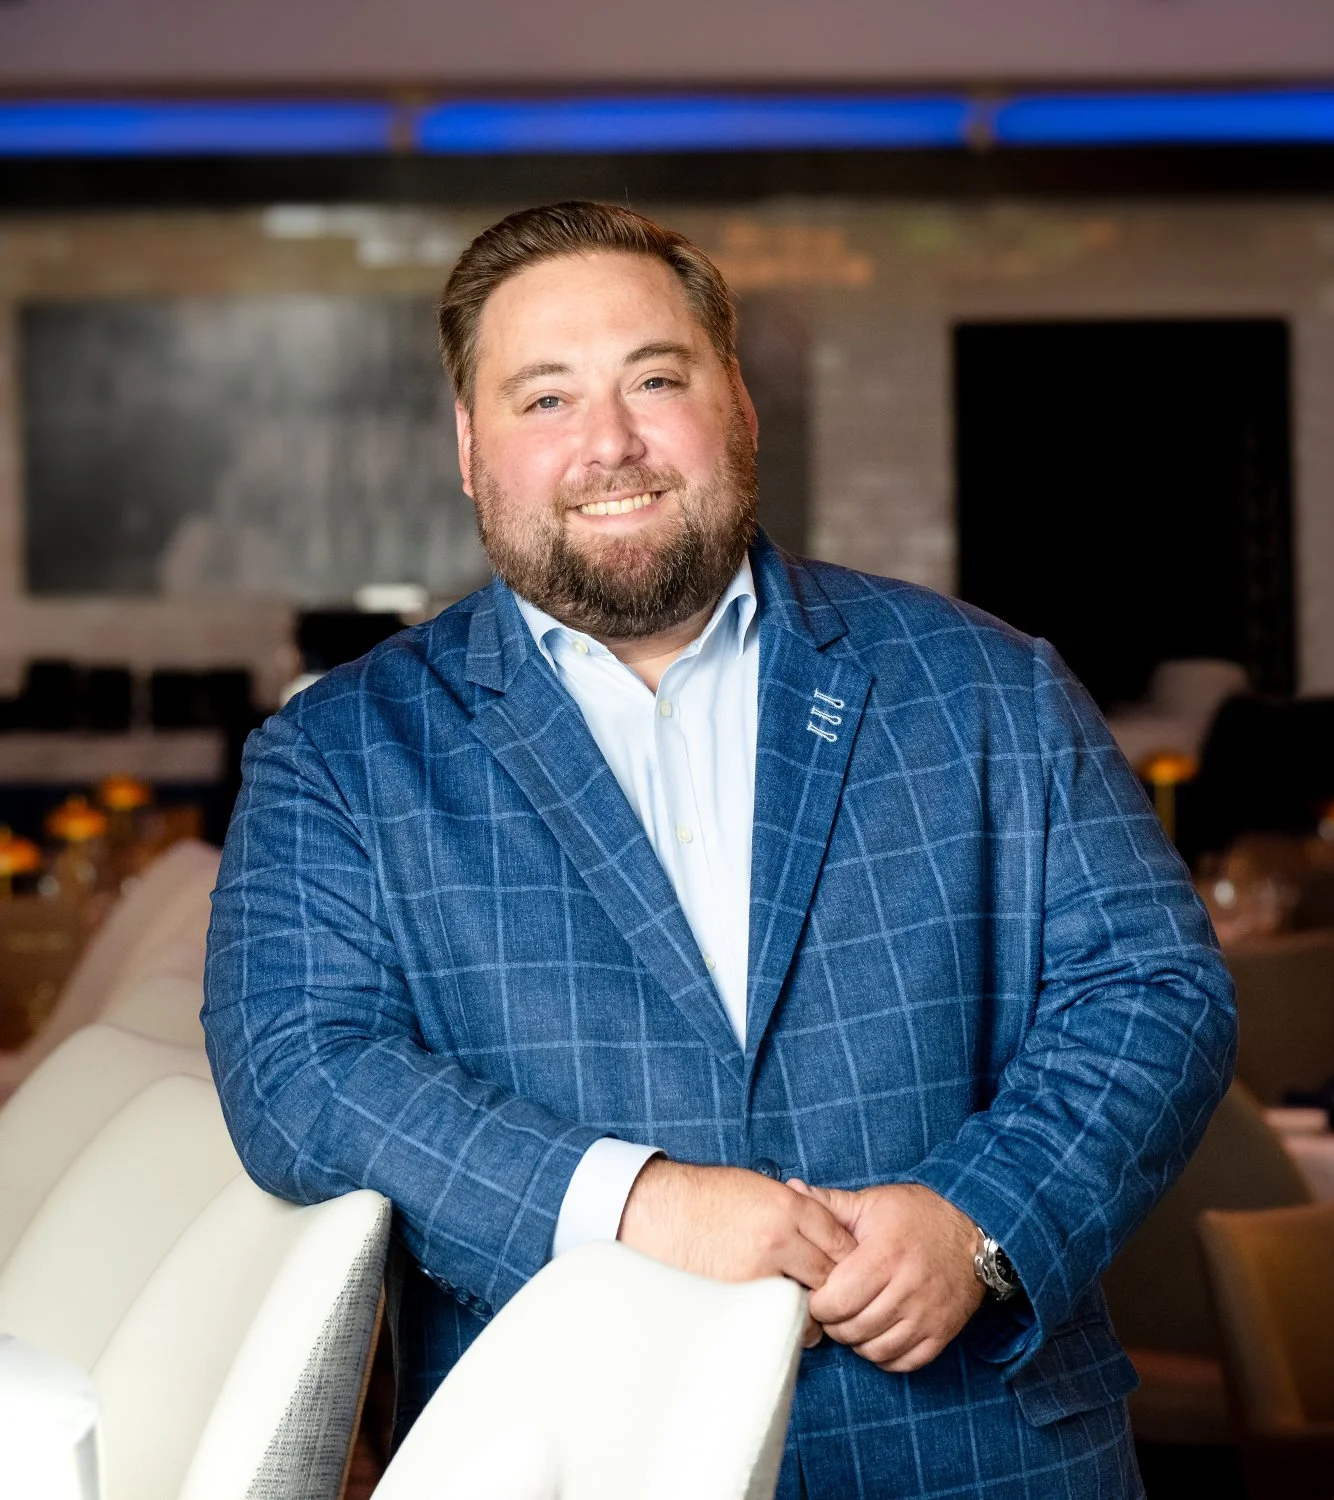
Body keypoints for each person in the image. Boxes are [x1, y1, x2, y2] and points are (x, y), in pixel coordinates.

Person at [204, 200, 1237, 1499]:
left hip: (980, 1448)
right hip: (569, 1453)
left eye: (655, 379)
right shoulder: (340, 752)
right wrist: (641, 1208)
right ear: (469, 448)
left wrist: (983, 1218)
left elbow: (1154, 988)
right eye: (545, 398)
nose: (611, 443)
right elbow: (300, 1068)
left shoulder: (987, 683)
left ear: (737, 403)